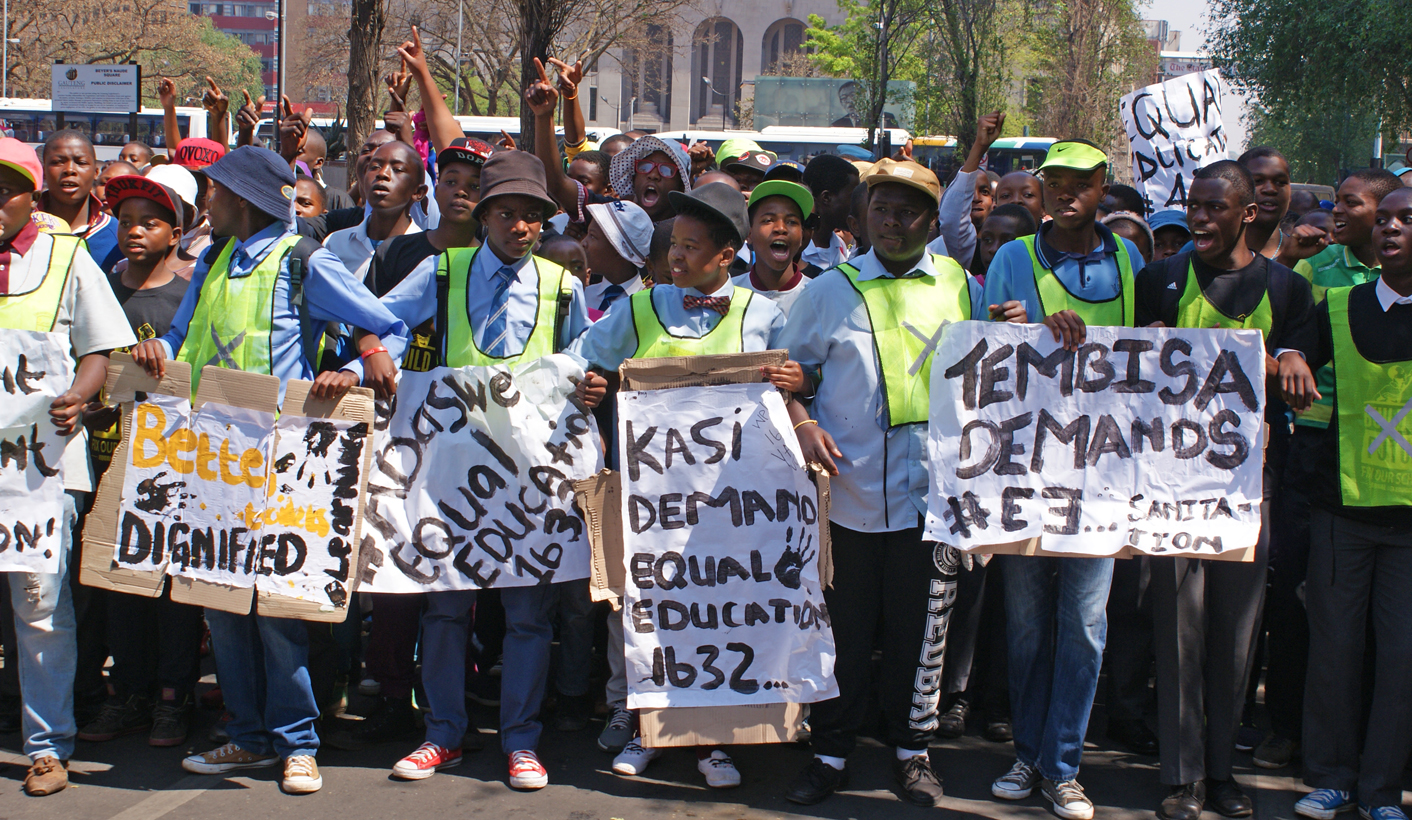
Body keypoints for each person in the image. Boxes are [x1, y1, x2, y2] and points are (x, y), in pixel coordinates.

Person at [130, 145, 410, 796]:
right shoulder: (217, 259)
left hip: (283, 461)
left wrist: (356, 363)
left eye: (215, 192)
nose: (207, 202)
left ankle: (297, 743)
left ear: (246, 200)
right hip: (212, 459)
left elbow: (385, 324)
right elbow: (182, 338)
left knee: (277, 615)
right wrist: (156, 350)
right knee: (224, 608)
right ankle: (249, 737)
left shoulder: (304, 261)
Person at [367, 150, 603, 791]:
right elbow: (379, 318)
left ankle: (521, 741)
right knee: (445, 611)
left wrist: (593, 386)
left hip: (532, 481)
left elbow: (588, 359)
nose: (519, 228)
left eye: (531, 216)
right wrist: (372, 351)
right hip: (450, 476)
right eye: (507, 214)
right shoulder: (443, 271)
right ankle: (442, 733)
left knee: (530, 614)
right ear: (484, 215)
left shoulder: (563, 287)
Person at [570, 182, 795, 789]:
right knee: (642, 608)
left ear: (727, 256)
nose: (676, 257)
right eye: (673, 245)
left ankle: (713, 739)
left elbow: (788, 391)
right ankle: (646, 723)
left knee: (717, 613)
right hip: (649, 500)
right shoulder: (639, 308)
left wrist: (795, 379)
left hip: (730, 503)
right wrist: (592, 385)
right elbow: (580, 359)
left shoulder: (762, 314)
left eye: (692, 247)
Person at [780, 159, 981, 808]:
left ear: (931, 220)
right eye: (882, 210)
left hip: (934, 500)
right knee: (843, 631)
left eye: (910, 212)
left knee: (919, 633)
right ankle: (832, 749)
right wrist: (803, 423)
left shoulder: (956, 283)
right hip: (850, 499)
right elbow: (790, 379)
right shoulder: (828, 291)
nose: (894, 223)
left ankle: (911, 747)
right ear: (863, 215)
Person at [1132, 160, 1317, 820]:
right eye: (1194, 207)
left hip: (1248, 487)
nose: (1201, 220)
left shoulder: (1286, 290)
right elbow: (1127, 380)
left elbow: (1297, 370)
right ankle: (1181, 778)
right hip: (1171, 484)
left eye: (1215, 209)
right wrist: (1147, 343)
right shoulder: (1160, 279)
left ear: (1248, 214)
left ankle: (1222, 771)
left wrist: (1283, 358)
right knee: (1178, 629)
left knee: (1237, 634)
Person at [983, 139, 1145, 820]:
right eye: (1055, 181)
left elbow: (1144, 355)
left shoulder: (1131, 261)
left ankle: (1064, 764)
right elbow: (980, 355)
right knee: (1025, 625)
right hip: (1025, 474)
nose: (1066, 191)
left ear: (1103, 186)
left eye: (1081, 181)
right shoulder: (1011, 260)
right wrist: (1024, 333)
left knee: (1084, 625)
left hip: (1103, 475)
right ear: (1042, 190)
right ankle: (1028, 752)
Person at [0, 138, 137, 796]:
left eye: (6, 189)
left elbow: (101, 348)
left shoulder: (67, 258)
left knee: (40, 608)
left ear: (32, 196)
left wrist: (80, 396)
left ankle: (47, 746)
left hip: (39, 471)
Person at [1284, 185, 1412, 820]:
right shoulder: (1338, 303)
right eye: (1384, 219)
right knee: (1334, 651)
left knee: (1401, 659)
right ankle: (1330, 775)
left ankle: (1382, 790)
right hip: (1342, 511)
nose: (1390, 229)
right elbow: (1290, 347)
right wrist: (1289, 355)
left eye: (1406, 220)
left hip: (1411, 528)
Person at [77, 174, 203, 750]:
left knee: (173, 587)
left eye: (148, 222)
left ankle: (173, 698)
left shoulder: (187, 295)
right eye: (125, 221)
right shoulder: (100, 288)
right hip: (108, 463)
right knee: (119, 584)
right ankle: (128, 692)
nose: (133, 232)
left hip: (174, 471)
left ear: (176, 233)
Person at [528, 58, 690, 224]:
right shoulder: (612, 214)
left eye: (667, 170)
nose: (653, 175)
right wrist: (544, 116)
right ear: (633, 178)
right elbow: (556, 184)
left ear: (680, 186)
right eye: (645, 167)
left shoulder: (688, 229)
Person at [322, 141, 427, 282]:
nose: (382, 174)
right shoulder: (334, 244)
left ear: (418, 192)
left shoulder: (426, 255)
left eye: (397, 169)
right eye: (375, 167)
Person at [36, 130, 122, 273]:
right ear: (43, 171)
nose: (69, 170)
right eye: (57, 162)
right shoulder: (22, 227)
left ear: (95, 172)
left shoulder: (119, 235)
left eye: (81, 162)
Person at [930, 111, 1006, 266]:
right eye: (968, 193)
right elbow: (953, 220)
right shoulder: (961, 252)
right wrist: (979, 146)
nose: (976, 198)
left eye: (984, 192)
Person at [733, 179, 814, 317]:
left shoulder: (817, 296)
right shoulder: (729, 293)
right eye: (768, 220)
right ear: (749, 233)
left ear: (802, 235)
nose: (781, 228)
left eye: (791, 222)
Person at [582, 199, 653, 316]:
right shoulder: (582, 295)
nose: (583, 242)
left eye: (592, 236)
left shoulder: (647, 304)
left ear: (618, 250)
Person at [800, 155, 859, 275]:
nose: (857, 205)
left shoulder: (840, 245)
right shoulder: (798, 248)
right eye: (853, 197)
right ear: (826, 198)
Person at [975, 203, 1037, 279]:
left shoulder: (1038, 287)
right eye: (988, 240)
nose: (994, 249)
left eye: (1007, 241)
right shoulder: (970, 287)